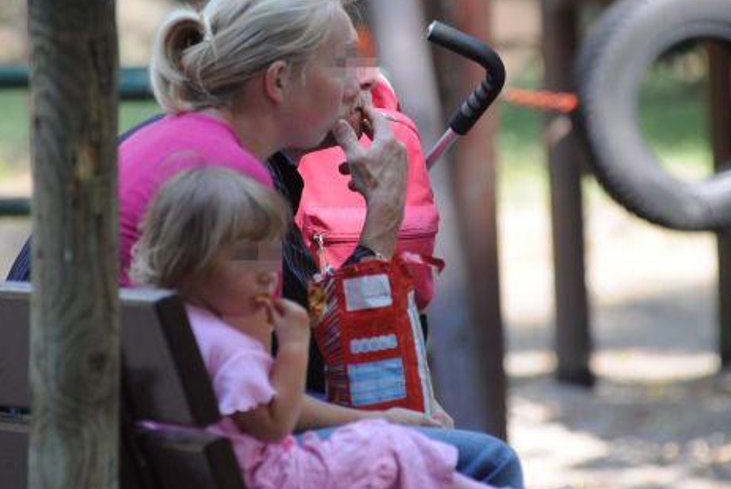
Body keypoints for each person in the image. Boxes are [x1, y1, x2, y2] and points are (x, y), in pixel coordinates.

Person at [6, 0, 521, 487]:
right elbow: (289, 395)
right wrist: (382, 220)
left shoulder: (174, 140)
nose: (360, 82)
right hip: (139, 457)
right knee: (485, 462)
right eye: (342, 61)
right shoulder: (235, 185)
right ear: (277, 81)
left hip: (91, 433)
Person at [130, 166, 510, 489]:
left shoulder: (175, 325)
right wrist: (295, 344)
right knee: (386, 446)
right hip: (275, 476)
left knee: (385, 443)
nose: (267, 273)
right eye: (247, 257)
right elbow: (274, 427)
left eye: (269, 253)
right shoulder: (232, 349)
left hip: (232, 472)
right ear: (192, 262)